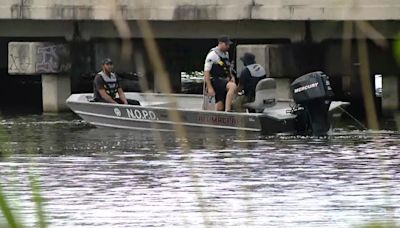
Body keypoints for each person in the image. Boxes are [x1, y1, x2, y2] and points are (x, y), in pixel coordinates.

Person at [204, 35, 237, 111]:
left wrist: (231, 76)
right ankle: (228, 110)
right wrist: (209, 87)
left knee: (220, 106)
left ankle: (219, 116)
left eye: (228, 45)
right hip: (216, 81)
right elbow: (206, 72)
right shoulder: (212, 55)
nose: (228, 46)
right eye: (226, 44)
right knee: (232, 86)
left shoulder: (226, 54)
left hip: (224, 80)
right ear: (220, 43)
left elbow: (227, 67)